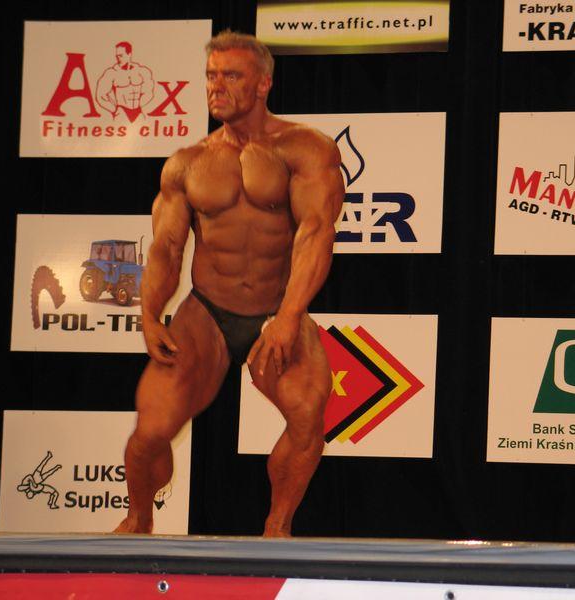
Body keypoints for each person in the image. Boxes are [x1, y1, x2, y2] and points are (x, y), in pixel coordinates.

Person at [114, 30, 344, 537]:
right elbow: (166, 248)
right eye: (211, 77)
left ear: (263, 84)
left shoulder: (305, 149)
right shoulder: (187, 163)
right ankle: (138, 519)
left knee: (308, 417)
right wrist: (149, 314)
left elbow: (316, 234)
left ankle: (277, 528)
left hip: (276, 308)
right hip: (207, 312)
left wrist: (288, 317)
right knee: (150, 431)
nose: (216, 87)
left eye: (231, 76)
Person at [96, 41, 155, 122]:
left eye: (121, 55)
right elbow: (100, 95)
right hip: (121, 112)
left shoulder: (142, 71)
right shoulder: (111, 73)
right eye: (117, 56)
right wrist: (114, 109)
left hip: (138, 111)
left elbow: (149, 91)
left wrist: (141, 104)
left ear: (129, 54)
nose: (118, 58)